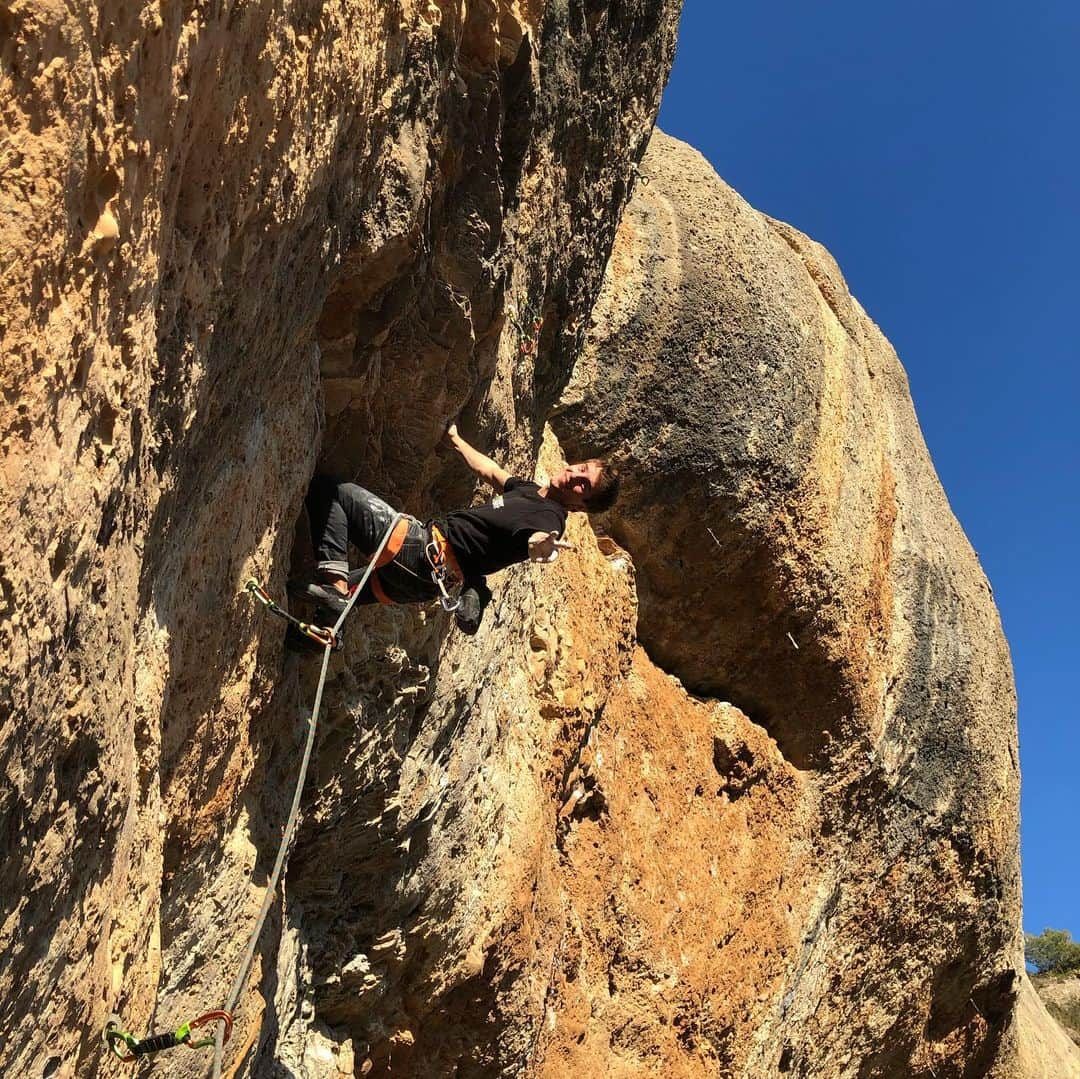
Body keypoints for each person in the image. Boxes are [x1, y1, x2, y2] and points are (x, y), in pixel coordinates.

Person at [289, 424, 619, 643]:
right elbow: (490, 470)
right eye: (582, 468)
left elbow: (538, 543)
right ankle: (313, 636)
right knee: (333, 604)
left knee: (330, 492)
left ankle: (333, 598)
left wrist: (542, 546)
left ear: (582, 506)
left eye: (583, 485)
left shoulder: (550, 518)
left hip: (420, 553)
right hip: (420, 582)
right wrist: (456, 439)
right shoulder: (531, 492)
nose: (575, 474)